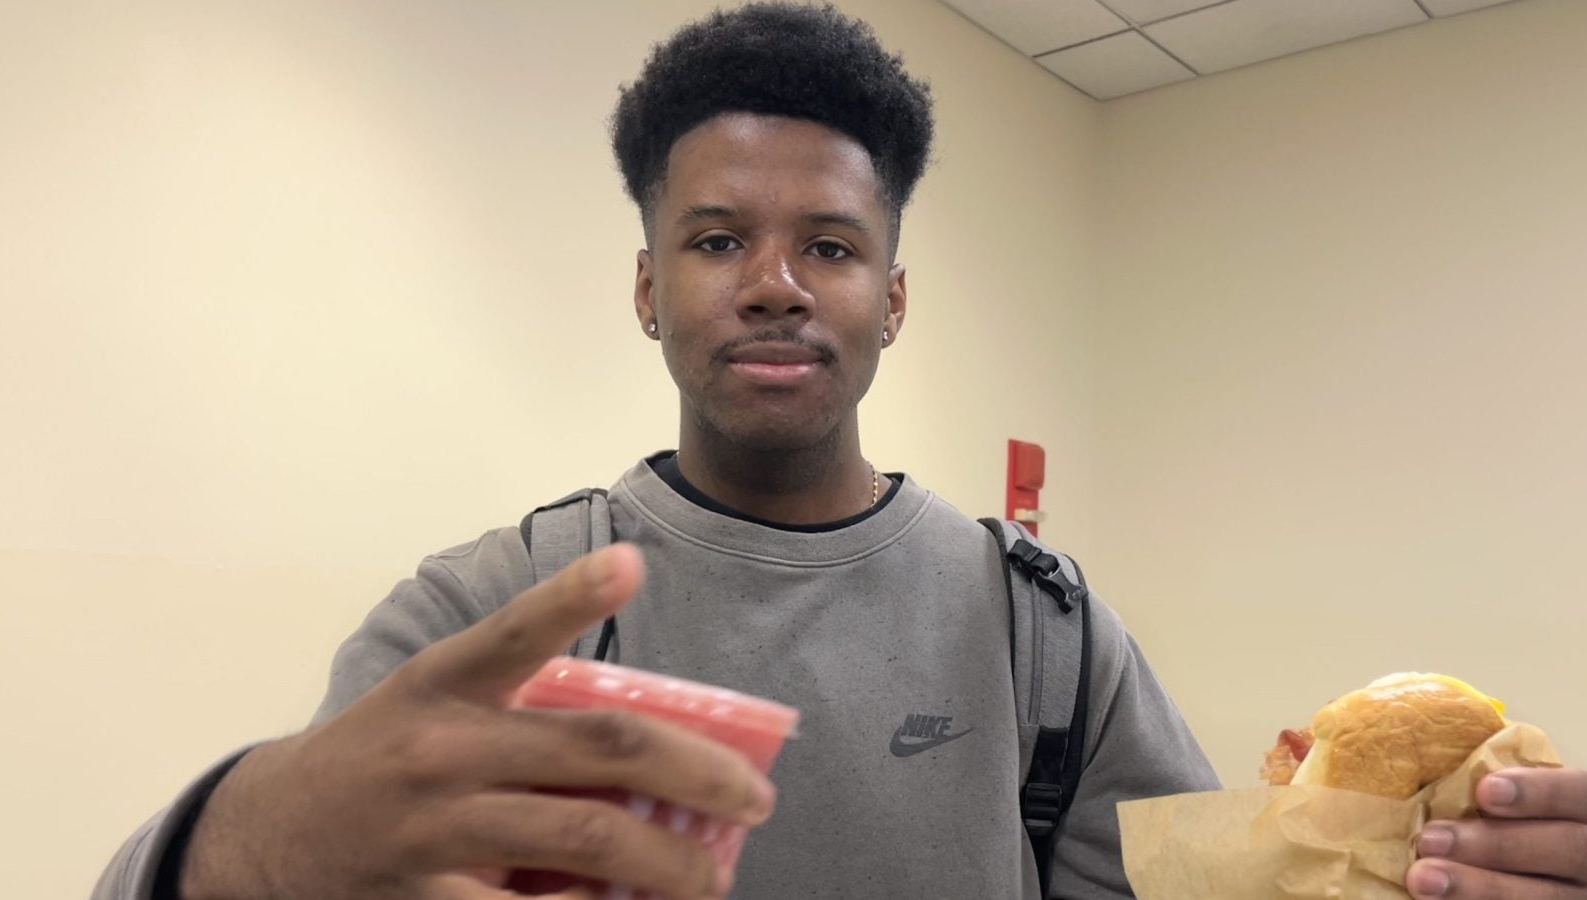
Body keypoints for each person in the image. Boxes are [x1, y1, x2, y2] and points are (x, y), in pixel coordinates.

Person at [94, 4, 1586, 899]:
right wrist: (250, 837)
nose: (774, 281)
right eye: (717, 238)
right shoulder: (496, 608)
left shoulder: (1041, 626)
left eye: (829, 244)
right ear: (645, 290)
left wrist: (1424, 863)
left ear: (893, 300)